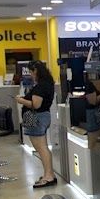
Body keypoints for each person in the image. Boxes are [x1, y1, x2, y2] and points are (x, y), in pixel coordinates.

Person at [16, 60, 57, 188]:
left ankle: (48, 176)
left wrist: (21, 100)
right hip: (42, 117)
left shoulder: (40, 86)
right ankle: (49, 174)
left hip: (36, 118)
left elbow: (36, 105)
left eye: (31, 72)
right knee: (43, 147)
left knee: (41, 148)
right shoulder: (47, 84)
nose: (30, 75)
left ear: (35, 71)